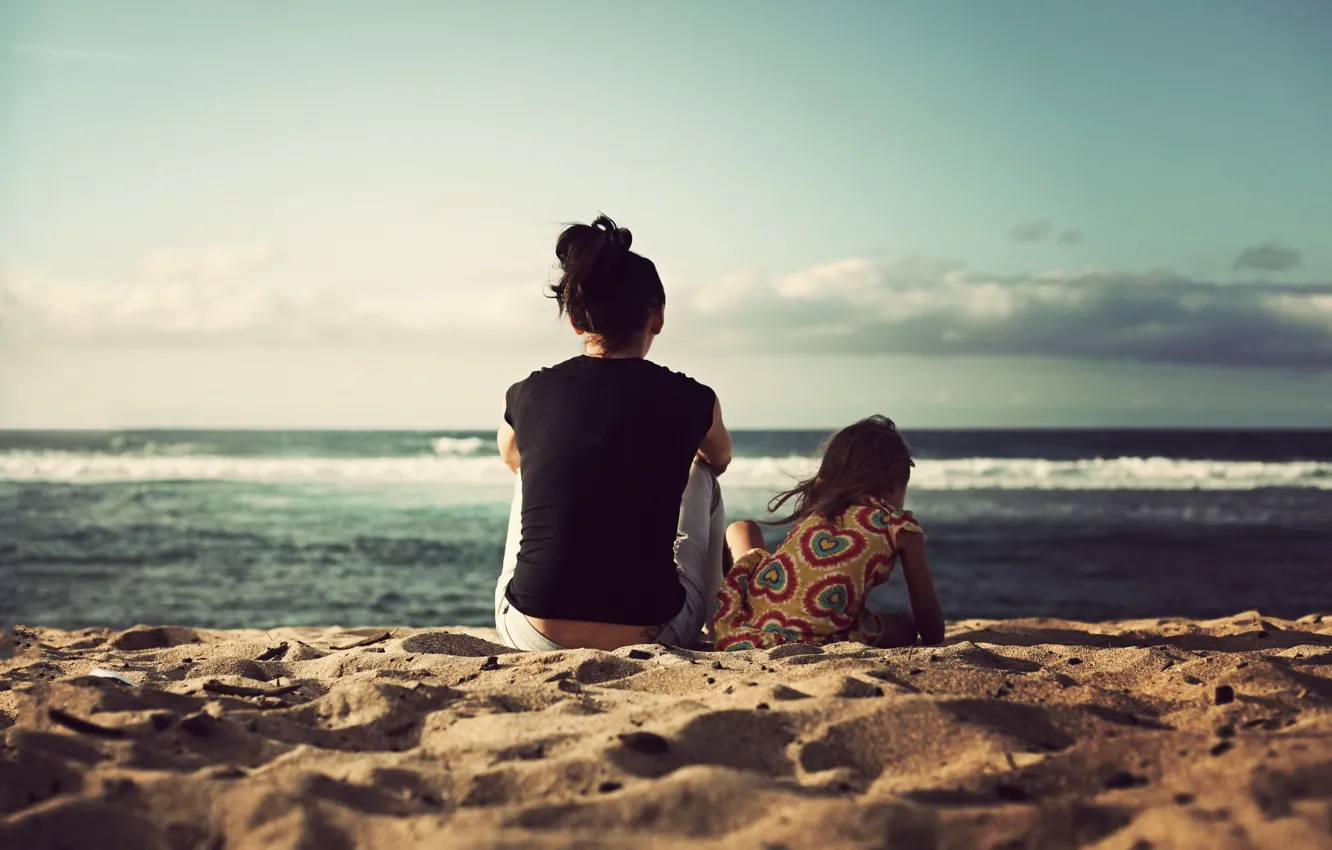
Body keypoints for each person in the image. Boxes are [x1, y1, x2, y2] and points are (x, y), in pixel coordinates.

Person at [494, 214, 732, 652]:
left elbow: (511, 458)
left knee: (529, 467)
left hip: (532, 633)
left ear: (576, 322)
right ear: (657, 318)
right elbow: (719, 459)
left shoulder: (527, 391)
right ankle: (724, 624)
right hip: (654, 631)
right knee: (704, 475)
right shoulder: (694, 398)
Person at [714, 415, 944, 650]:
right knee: (903, 626)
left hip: (741, 633)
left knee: (742, 528)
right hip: (821, 639)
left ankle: (724, 602)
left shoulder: (823, 506)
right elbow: (932, 629)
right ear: (897, 484)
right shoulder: (899, 526)